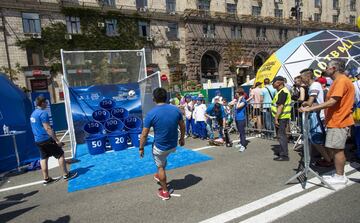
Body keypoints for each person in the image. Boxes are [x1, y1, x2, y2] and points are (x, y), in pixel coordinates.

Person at [300, 59, 355, 185]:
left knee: (337, 149)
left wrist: (311, 108)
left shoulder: (341, 81)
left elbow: (332, 102)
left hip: (339, 120)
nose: (325, 69)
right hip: (336, 120)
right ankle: (339, 174)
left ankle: (340, 176)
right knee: (335, 148)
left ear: (334, 68)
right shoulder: (340, 81)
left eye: (327, 67)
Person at [139, 88, 185, 200]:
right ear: (166, 97)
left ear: (154, 98)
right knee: (162, 160)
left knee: (160, 167)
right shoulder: (176, 110)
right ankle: (159, 175)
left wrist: (141, 148)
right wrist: (182, 139)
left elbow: (144, 134)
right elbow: (183, 126)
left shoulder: (151, 114)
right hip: (173, 145)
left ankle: (165, 191)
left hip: (160, 147)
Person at [30, 96, 77, 185]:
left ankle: (46, 179)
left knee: (43, 158)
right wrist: (57, 140)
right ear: (42, 103)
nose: (47, 104)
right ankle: (66, 174)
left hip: (38, 140)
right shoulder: (43, 113)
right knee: (60, 154)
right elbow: (47, 128)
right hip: (45, 139)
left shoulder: (33, 114)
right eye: (46, 102)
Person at [300, 69, 331, 167]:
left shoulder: (314, 85)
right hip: (317, 114)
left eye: (302, 77)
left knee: (316, 138)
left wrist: (303, 104)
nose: (301, 80)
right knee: (318, 139)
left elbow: (310, 102)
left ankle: (328, 159)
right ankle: (328, 158)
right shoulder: (314, 85)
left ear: (308, 76)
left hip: (317, 115)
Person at [271, 76, 292, 161]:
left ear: (279, 83)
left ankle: (284, 155)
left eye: (274, 82)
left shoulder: (283, 92)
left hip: (281, 117)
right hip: (282, 117)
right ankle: (283, 152)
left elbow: (280, 106)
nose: (272, 84)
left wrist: (276, 118)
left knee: (281, 136)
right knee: (280, 136)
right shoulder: (280, 91)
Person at [353, 72, 360, 160]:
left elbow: (352, 100)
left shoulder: (354, 85)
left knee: (358, 133)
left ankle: (359, 154)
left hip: (358, 112)